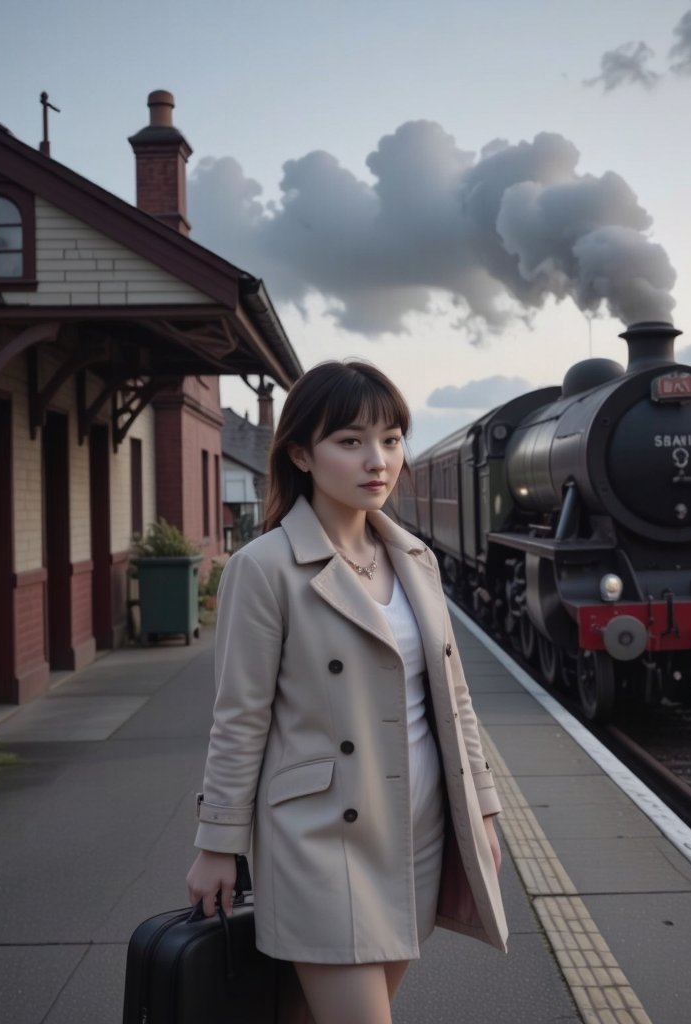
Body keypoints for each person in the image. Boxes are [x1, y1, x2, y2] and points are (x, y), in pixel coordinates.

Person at [186, 360, 508, 1024]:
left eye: (391, 439)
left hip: (418, 833)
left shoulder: (414, 559)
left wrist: (481, 805)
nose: (378, 460)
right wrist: (218, 841)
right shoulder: (263, 569)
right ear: (301, 452)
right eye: (351, 441)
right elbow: (239, 719)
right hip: (323, 840)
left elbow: (453, 697)